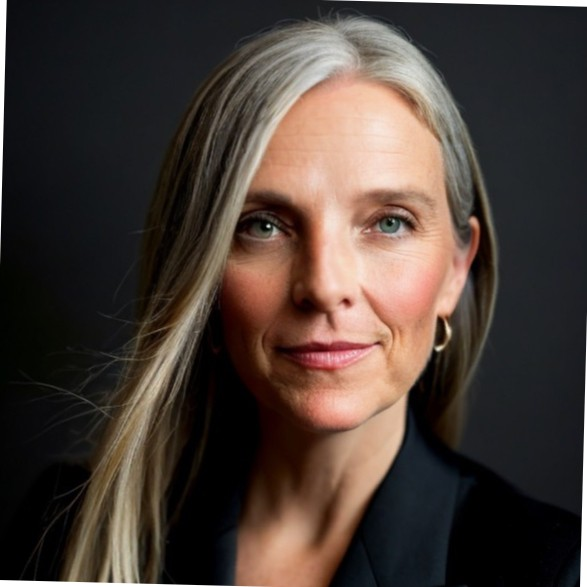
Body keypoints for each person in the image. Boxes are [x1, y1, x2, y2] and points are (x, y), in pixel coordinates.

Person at [4, 14, 580, 586]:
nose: (325, 287)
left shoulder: (550, 570)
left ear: (456, 270)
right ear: (199, 269)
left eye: (389, 222)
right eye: (263, 226)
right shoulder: (62, 530)